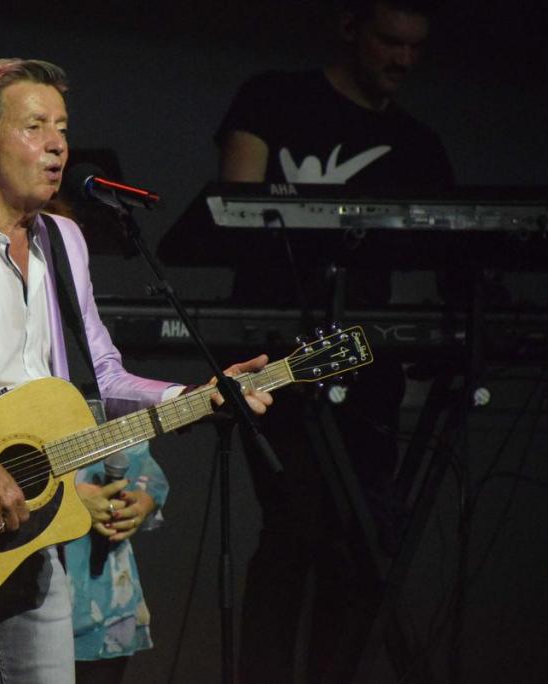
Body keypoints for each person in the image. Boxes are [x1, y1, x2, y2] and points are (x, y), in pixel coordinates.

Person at [0, 58, 273, 683]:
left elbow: (104, 378)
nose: (58, 144)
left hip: (34, 529)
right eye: (35, 126)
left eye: (62, 128)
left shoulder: (64, 240)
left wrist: (198, 395)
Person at [216, 1, 453, 681]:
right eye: (389, 42)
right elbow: (235, 211)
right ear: (351, 28)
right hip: (273, 353)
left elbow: (453, 256)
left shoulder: (418, 144)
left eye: (415, 47)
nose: (403, 60)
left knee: (358, 543)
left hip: (363, 358)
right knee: (295, 527)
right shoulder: (273, 98)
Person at [65, 442, 169, 684]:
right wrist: (68, 500)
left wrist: (141, 503)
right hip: (34, 595)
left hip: (105, 596)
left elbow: (149, 471)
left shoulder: (110, 417)